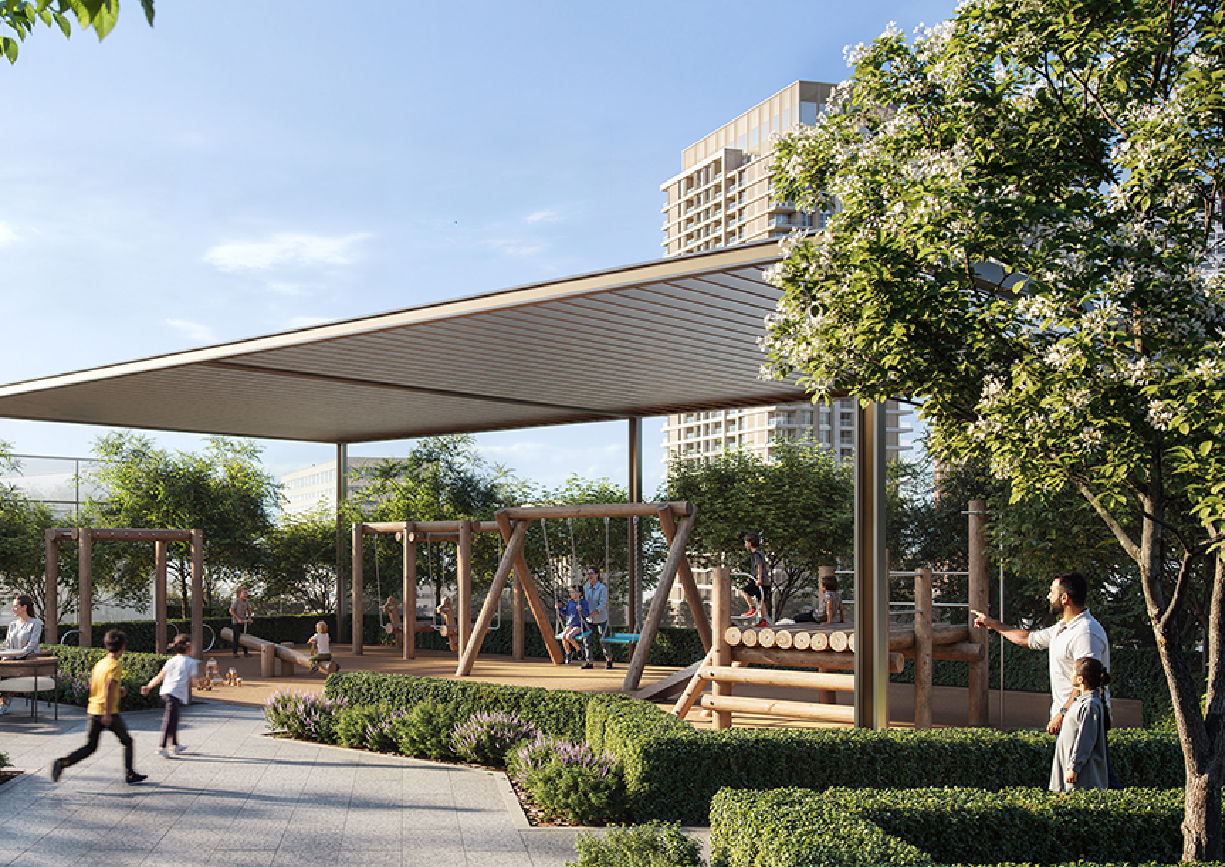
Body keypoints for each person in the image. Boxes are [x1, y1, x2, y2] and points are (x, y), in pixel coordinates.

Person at [972, 572, 1110, 735]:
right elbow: (1027, 638)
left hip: (1083, 723)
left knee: (1078, 762)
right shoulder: (1062, 628)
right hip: (1069, 722)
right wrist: (992, 624)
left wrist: (1062, 714)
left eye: (1052, 592)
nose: (1048, 596)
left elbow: (1086, 682)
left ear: (1064, 598)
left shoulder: (1085, 633)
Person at [51, 629, 147, 785]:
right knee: (127, 741)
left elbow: (94, 684)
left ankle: (63, 762)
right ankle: (130, 774)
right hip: (108, 711)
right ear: (122, 647)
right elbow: (109, 686)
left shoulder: (100, 663)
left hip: (93, 709)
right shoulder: (115, 665)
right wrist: (107, 714)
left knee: (90, 747)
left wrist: (119, 690)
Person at [1050, 656, 1112, 792]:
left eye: (1073, 671)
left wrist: (1074, 768)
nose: (1070, 674)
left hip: (1082, 777)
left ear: (1080, 679)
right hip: (1069, 772)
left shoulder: (1090, 705)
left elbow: (1085, 739)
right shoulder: (1080, 702)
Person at [141, 633, 198, 757]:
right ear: (189, 648)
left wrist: (149, 686)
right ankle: (162, 747)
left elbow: (160, 676)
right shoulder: (191, 662)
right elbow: (194, 683)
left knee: (174, 718)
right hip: (174, 694)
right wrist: (203, 682)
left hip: (166, 692)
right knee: (169, 720)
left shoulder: (171, 661)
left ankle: (175, 745)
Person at [0, 594, 44, 716]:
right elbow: (8, 645)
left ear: (24, 607)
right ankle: (3, 703)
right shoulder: (12, 625)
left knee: (6, 670)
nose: (13, 609)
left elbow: (31, 646)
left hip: (27, 661)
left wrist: (15, 655)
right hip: (11, 659)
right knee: (3, 667)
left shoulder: (35, 623)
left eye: (15, 606)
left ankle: (4, 704)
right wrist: (6, 655)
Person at [581, 566, 611, 671]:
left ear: (597, 575)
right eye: (588, 574)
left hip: (601, 619)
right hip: (589, 620)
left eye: (591, 573)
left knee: (603, 640)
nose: (589, 576)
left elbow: (603, 604)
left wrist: (594, 612)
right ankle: (589, 662)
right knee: (587, 640)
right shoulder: (586, 588)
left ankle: (609, 660)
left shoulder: (602, 588)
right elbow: (584, 601)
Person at [740, 533, 772, 625]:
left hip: (759, 580)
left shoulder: (756, 554)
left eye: (746, 543)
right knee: (760, 601)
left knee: (744, 591)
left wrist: (758, 579)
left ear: (750, 543)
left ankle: (752, 608)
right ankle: (763, 620)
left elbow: (759, 566)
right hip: (765, 582)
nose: (745, 545)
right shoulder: (760, 552)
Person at [556, 585, 590, 664]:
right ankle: (568, 654)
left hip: (579, 625)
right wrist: (559, 609)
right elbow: (565, 613)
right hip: (570, 625)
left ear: (580, 594)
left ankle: (578, 649)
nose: (571, 594)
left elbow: (586, 614)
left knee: (568, 636)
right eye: (571, 592)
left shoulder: (583, 603)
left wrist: (580, 610)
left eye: (573, 592)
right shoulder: (570, 603)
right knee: (564, 636)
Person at [229, 586, 253, 657]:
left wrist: (249, 618)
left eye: (246, 593)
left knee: (244, 637)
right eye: (244, 593)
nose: (246, 595)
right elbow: (231, 611)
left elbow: (249, 610)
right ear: (240, 594)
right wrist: (237, 619)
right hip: (236, 622)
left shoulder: (246, 602)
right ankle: (235, 653)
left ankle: (245, 653)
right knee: (236, 637)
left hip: (243, 621)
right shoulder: (236, 601)